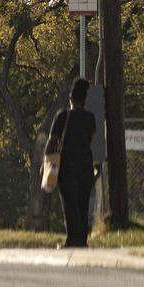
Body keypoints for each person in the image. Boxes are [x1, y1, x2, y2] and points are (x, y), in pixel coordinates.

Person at [46, 78, 96, 248]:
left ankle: (71, 240)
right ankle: (82, 240)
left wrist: (47, 162)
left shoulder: (63, 115)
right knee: (82, 204)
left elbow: (53, 141)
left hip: (67, 167)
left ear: (70, 98)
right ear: (84, 99)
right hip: (86, 166)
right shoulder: (90, 118)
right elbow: (89, 140)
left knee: (69, 204)